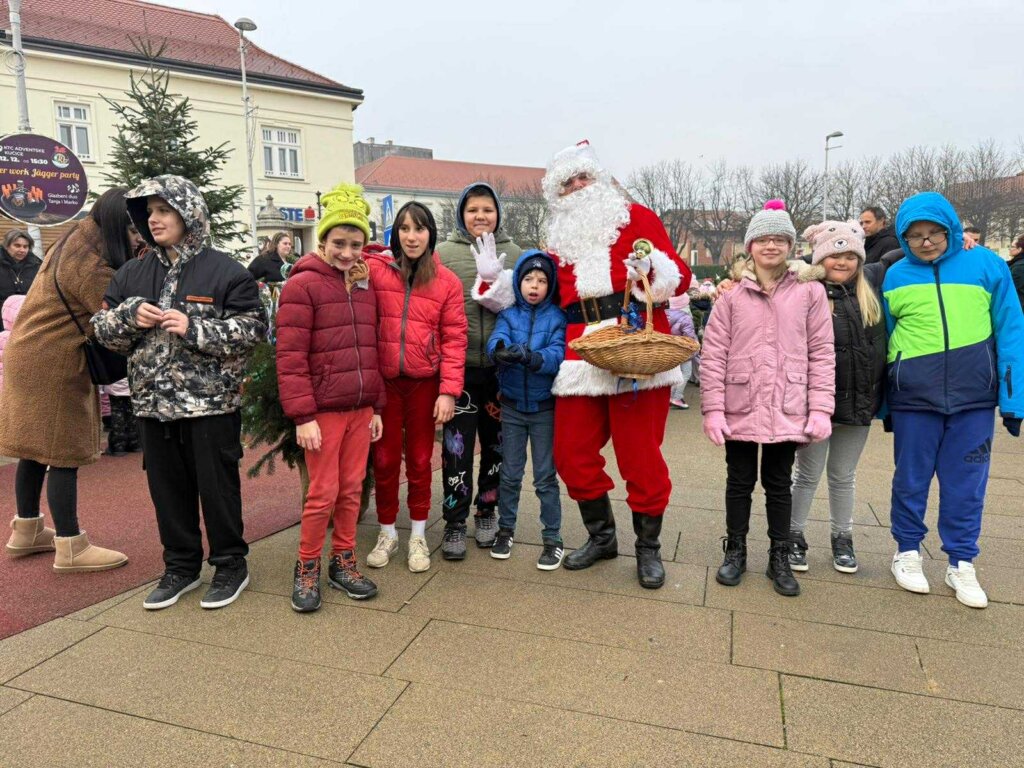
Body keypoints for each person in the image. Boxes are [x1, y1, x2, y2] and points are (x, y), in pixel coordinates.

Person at [474, 140, 692, 589]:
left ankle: (647, 550)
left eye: (583, 178)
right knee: (571, 455)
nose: (577, 188)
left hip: (636, 346)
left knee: (640, 459)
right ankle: (602, 536)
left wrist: (651, 268)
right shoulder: (555, 241)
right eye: (566, 184)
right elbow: (535, 295)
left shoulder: (638, 218)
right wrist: (495, 281)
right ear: (557, 195)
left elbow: (678, 278)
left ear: (600, 180)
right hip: (578, 352)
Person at [92, 175, 265, 610]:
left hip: (211, 407)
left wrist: (195, 328)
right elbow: (100, 330)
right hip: (152, 407)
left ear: (189, 214)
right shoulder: (133, 272)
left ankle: (230, 565)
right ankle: (181, 567)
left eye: (164, 211)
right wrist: (130, 315)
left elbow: (254, 330)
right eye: (148, 213)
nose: (154, 220)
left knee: (217, 490)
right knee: (167, 492)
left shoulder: (225, 270)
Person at [882, 192, 1024, 609]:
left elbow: (1011, 330)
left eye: (934, 233)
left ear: (951, 230)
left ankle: (961, 561)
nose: (926, 242)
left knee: (967, 485)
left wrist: (1013, 397)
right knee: (910, 478)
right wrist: (887, 398)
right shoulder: (895, 275)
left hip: (973, 398)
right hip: (914, 397)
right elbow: (885, 338)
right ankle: (907, 551)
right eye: (916, 235)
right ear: (904, 238)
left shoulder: (987, 265)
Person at [700, 201, 835, 597]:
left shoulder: (810, 292)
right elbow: (713, 355)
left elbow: (822, 352)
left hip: (787, 401)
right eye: (763, 239)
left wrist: (820, 407)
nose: (771, 246)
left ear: (791, 246)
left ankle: (780, 553)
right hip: (740, 400)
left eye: (780, 239)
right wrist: (712, 409)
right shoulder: (730, 297)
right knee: (738, 481)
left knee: (779, 483)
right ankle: (736, 549)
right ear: (750, 245)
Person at [0, 188, 132, 571]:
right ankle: (71, 544)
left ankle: (26, 530)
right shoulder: (90, 262)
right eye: (134, 230)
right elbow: (117, 315)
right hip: (54, 359)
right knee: (62, 452)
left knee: (32, 448)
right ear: (117, 225)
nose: (139, 237)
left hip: (28, 352)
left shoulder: (72, 241)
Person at [275, 184, 385, 612]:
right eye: (339, 243)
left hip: (359, 408)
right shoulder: (302, 285)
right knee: (322, 491)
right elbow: (290, 356)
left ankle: (343, 560)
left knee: (353, 489)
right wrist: (303, 416)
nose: (347, 252)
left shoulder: (363, 283)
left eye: (355, 244)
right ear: (323, 240)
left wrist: (375, 405)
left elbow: (369, 348)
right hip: (322, 411)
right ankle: (306, 567)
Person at [363, 201, 467, 573]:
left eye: (419, 229)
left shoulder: (446, 282)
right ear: (395, 232)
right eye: (404, 229)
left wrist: (448, 390)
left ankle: (418, 534)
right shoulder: (376, 272)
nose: (411, 237)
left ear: (430, 234)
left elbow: (455, 338)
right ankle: (388, 531)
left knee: (421, 461)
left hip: (425, 384)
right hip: (386, 383)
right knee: (386, 459)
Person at [788, 221, 885, 574]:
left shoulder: (870, 292)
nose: (842, 262)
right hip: (816, 405)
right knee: (807, 475)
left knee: (844, 475)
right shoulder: (807, 294)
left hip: (858, 403)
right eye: (834, 255)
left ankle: (842, 536)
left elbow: (895, 252)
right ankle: (793, 534)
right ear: (820, 259)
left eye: (849, 256)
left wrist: (961, 243)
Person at [436, 182, 522, 558]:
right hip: (460, 369)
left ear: (498, 213)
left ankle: (487, 509)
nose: (480, 216)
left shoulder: (516, 253)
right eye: (473, 210)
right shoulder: (442, 254)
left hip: (501, 371)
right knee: (456, 448)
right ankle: (454, 520)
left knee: (497, 445)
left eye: (487, 209)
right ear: (461, 214)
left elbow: (528, 303)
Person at [484, 251, 566, 568]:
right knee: (510, 474)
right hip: (514, 407)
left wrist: (535, 358)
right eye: (529, 279)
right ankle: (506, 530)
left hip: (544, 408)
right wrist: (501, 351)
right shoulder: (509, 315)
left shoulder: (556, 317)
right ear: (519, 282)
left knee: (545, 477)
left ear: (550, 284)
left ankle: (553, 538)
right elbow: (497, 339)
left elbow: (558, 353)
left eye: (542, 280)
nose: (534, 286)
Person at [0, 229, 42, 331]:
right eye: (17, 245)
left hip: (27, 322)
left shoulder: (37, 265)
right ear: (6, 246)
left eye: (25, 246)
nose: (22, 250)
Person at [666, 292, 698, 409]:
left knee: (674, 375)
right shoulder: (685, 318)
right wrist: (695, 350)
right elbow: (690, 337)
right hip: (683, 351)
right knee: (686, 373)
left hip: (669, 350)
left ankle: (669, 396)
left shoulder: (665, 315)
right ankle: (677, 397)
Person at [1009, 233, 1024, 311]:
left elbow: (1010, 287)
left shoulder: (1019, 267)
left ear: (1020, 249)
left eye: (1012, 247)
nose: (1010, 249)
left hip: (1019, 308)